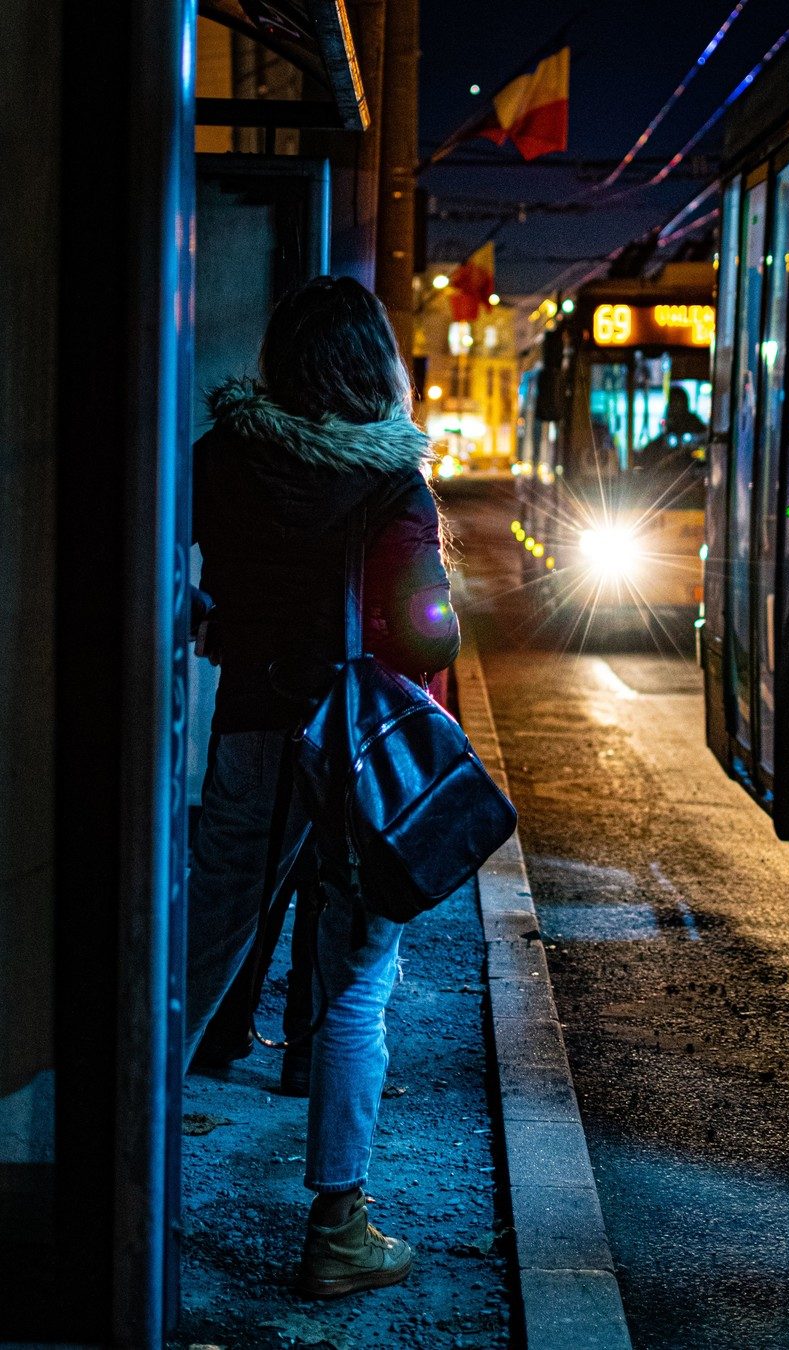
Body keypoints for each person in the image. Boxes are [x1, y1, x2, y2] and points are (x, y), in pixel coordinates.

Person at [185, 275, 460, 1297]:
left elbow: (193, 590)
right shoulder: (394, 485)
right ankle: (337, 1230)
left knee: (200, 950)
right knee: (354, 987)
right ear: (372, 366)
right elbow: (427, 630)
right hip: (354, 760)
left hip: (253, 730)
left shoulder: (225, 460)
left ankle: (130, 1169)